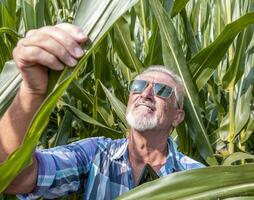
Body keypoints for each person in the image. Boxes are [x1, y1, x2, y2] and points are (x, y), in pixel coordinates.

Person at [0, 23, 205, 199]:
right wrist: (32, 92)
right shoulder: (95, 154)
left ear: (177, 117)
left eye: (162, 90)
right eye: (138, 86)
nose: (146, 93)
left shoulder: (197, 178)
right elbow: (14, 179)